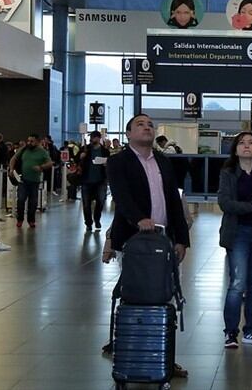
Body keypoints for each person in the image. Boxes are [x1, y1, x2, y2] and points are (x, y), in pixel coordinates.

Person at [106, 114, 190, 377]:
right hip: (133, 242)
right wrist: (139, 218)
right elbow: (121, 195)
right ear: (129, 133)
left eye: (150, 125)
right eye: (140, 124)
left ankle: (164, 359)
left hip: (163, 243)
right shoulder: (118, 161)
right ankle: (132, 357)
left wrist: (182, 239)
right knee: (135, 299)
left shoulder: (163, 161)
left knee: (164, 298)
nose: (147, 127)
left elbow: (174, 202)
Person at [217, 131, 252, 349]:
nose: (246, 146)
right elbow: (225, 203)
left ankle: (251, 331)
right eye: (242, 143)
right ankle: (230, 332)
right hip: (237, 233)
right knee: (237, 283)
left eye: (250, 143)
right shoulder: (228, 173)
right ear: (235, 149)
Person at [8, 134, 53, 229]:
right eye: (28, 141)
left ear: (37, 142)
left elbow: (50, 163)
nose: (29, 143)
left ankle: (31, 220)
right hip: (22, 180)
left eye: (32, 141)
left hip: (35, 181)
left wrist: (41, 167)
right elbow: (13, 159)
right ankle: (20, 219)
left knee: (33, 202)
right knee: (21, 200)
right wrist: (11, 169)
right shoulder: (24, 149)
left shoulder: (42, 152)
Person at [79, 131, 110, 232]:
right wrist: (81, 157)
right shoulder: (86, 149)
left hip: (100, 181)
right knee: (86, 204)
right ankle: (88, 223)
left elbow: (109, 162)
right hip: (86, 180)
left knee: (100, 202)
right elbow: (76, 159)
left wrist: (106, 164)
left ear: (98, 138)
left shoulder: (105, 151)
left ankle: (97, 219)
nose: (92, 139)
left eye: (94, 137)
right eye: (91, 137)